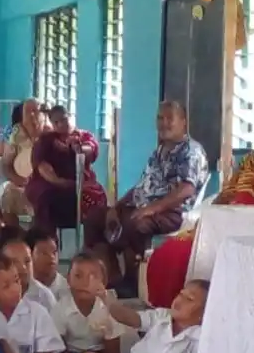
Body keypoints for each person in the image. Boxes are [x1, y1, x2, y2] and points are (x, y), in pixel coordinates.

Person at [143, 110, 254, 308]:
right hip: (225, 225)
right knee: (168, 252)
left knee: (182, 259)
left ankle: (187, 316)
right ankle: (165, 318)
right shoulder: (251, 160)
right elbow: (227, 194)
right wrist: (207, 222)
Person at [82, 101, 208, 294]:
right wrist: (116, 206)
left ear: (183, 122)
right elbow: (142, 186)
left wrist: (152, 209)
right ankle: (110, 275)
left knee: (134, 224)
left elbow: (186, 190)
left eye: (169, 118)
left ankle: (134, 283)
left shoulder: (191, 151)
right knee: (95, 218)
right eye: (159, 118)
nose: (163, 123)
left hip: (173, 212)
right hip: (143, 207)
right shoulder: (158, 152)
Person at [25, 105, 107, 232]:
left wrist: (77, 148)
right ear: (52, 124)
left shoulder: (84, 136)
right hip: (49, 184)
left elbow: (90, 150)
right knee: (45, 198)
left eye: (64, 119)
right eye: (56, 122)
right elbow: (42, 166)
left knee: (97, 200)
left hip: (79, 184)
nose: (61, 124)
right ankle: (46, 240)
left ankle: (92, 244)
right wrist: (59, 182)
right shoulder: (46, 140)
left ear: (70, 116)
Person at [0, 98, 44, 216]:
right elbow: (4, 165)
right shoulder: (17, 134)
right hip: (21, 184)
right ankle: (14, 232)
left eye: (36, 111)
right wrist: (16, 179)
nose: (32, 115)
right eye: (28, 112)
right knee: (10, 195)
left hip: (45, 186)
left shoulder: (50, 134)